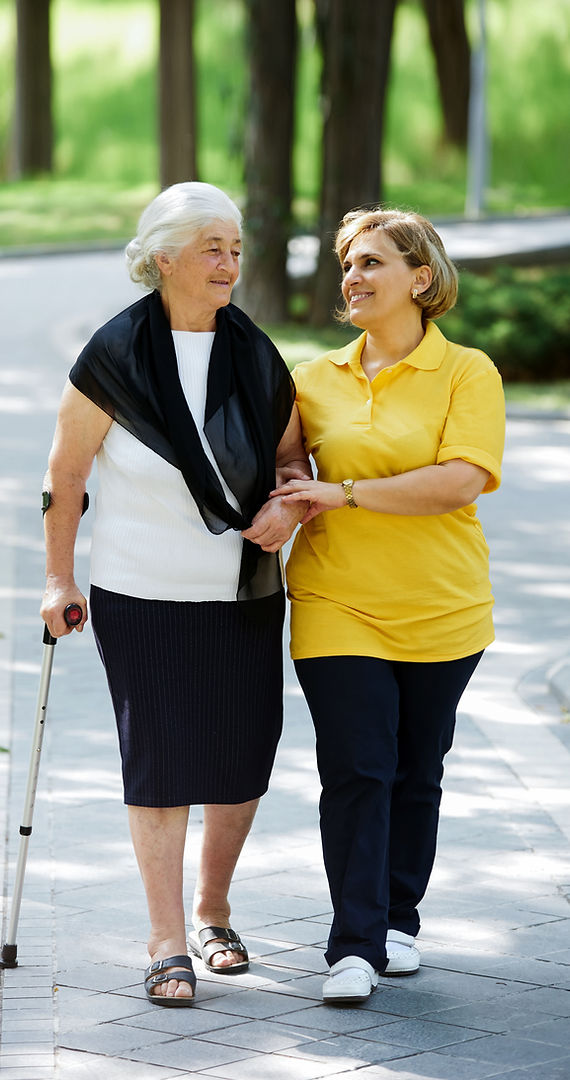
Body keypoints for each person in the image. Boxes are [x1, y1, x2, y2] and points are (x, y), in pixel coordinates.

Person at [40, 181, 308, 1007]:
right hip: (141, 592)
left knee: (240, 760)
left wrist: (286, 505)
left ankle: (213, 912)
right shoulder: (114, 355)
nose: (230, 263)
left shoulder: (256, 353)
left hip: (244, 593)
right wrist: (57, 578)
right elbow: (68, 474)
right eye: (212, 249)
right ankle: (164, 940)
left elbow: (293, 460)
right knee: (159, 764)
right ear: (164, 258)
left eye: (234, 248)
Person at [271, 207, 505, 1004]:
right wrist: (284, 500)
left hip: (444, 609)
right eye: (348, 263)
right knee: (358, 769)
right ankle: (354, 946)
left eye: (373, 261)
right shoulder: (311, 379)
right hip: (337, 602)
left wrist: (343, 492)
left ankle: (399, 918)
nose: (355, 276)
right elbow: (284, 472)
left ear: (422, 278)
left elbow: (460, 481)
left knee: (416, 771)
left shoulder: (468, 372)